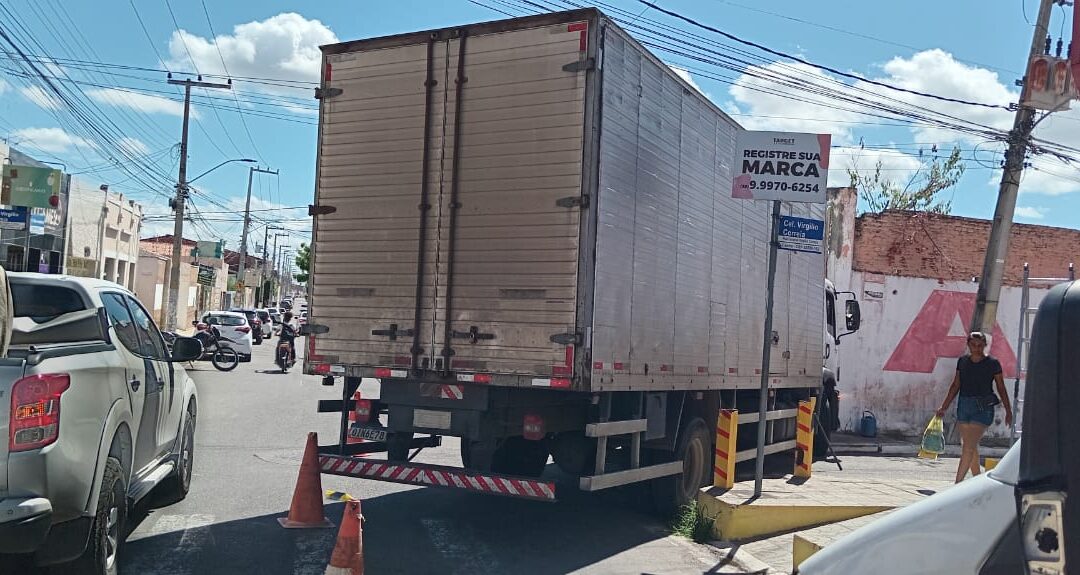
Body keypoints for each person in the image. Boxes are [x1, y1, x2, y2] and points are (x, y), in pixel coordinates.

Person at [935, 332, 1013, 483]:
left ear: (984, 345)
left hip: (983, 408)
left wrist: (1008, 410)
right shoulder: (963, 362)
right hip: (964, 404)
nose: (976, 348)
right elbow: (956, 385)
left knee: (968, 447)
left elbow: (1001, 387)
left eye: (980, 345)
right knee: (968, 444)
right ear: (968, 345)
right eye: (973, 345)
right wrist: (943, 406)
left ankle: (957, 484)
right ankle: (977, 481)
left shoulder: (992, 363)